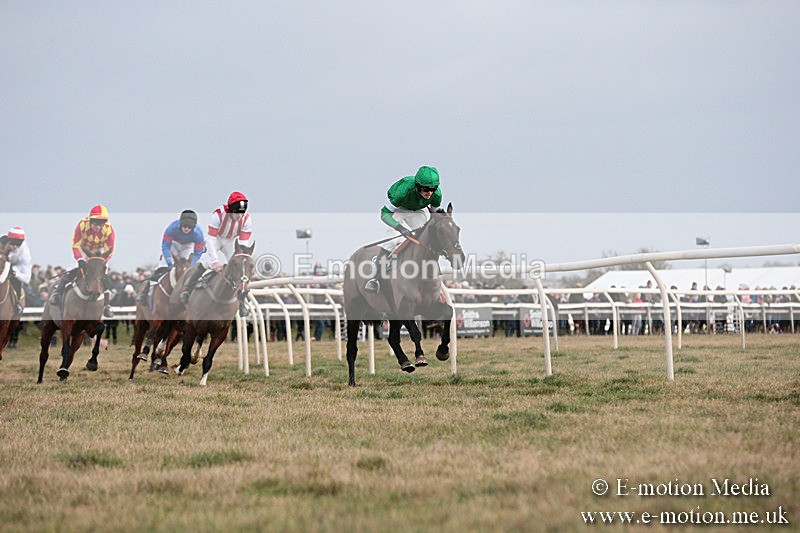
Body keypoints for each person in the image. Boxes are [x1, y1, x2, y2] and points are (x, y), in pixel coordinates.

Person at [365, 165, 443, 293]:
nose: (429, 193)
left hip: (418, 211)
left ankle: (430, 274)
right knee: (392, 241)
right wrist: (400, 228)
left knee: (426, 238)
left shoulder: (437, 194)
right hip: (400, 208)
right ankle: (375, 277)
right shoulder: (403, 192)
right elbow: (384, 213)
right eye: (425, 189)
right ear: (418, 186)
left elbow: (433, 212)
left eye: (433, 189)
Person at [179, 192, 253, 317]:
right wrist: (215, 261)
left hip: (231, 242)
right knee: (205, 262)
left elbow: (243, 244)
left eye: (241, 213)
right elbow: (210, 240)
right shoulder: (218, 215)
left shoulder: (247, 219)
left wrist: (240, 257)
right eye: (236, 213)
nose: (239, 216)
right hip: (216, 239)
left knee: (239, 267)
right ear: (230, 210)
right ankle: (187, 291)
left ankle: (242, 303)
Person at [49, 205, 116, 318]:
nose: (98, 227)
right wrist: (80, 259)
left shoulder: (109, 230)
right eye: (96, 224)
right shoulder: (81, 225)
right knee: (72, 269)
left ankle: (107, 305)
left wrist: (103, 261)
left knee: (103, 274)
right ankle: (57, 294)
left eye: (101, 224)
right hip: (83, 249)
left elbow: (110, 250)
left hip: (99, 253)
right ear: (91, 221)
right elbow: (75, 244)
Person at [138, 210, 205, 305]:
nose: (186, 229)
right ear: (180, 224)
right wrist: (169, 262)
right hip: (174, 244)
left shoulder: (198, 234)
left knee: (191, 271)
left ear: (193, 227)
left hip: (188, 246)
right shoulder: (172, 227)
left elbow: (197, 253)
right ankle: (144, 293)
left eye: (189, 227)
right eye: (184, 226)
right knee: (161, 267)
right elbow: (165, 247)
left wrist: (191, 267)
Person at [2, 226, 32, 315]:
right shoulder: (1, 243)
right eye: (13, 243)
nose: (15, 246)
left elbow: (27, 279)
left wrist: (16, 274)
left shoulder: (25, 254)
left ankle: (17, 303)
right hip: (2, 263)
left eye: (18, 244)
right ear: (8, 240)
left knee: (16, 278)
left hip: (15, 267)